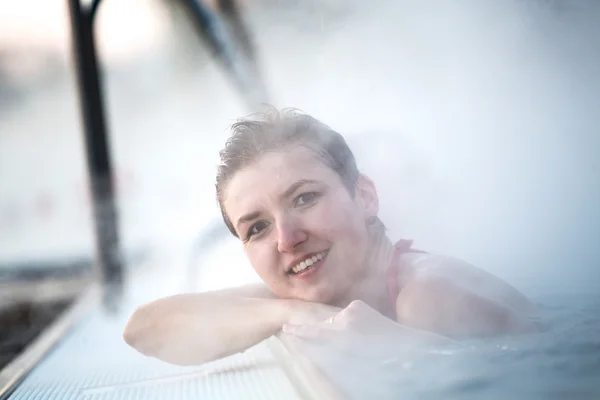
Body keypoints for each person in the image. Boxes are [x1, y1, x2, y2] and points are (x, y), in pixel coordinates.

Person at [123, 108, 537, 366]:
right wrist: (291, 314)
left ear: (365, 197)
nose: (286, 238)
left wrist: (406, 349)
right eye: (257, 227)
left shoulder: (427, 296)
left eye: (304, 198)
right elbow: (144, 330)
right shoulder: (322, 294)